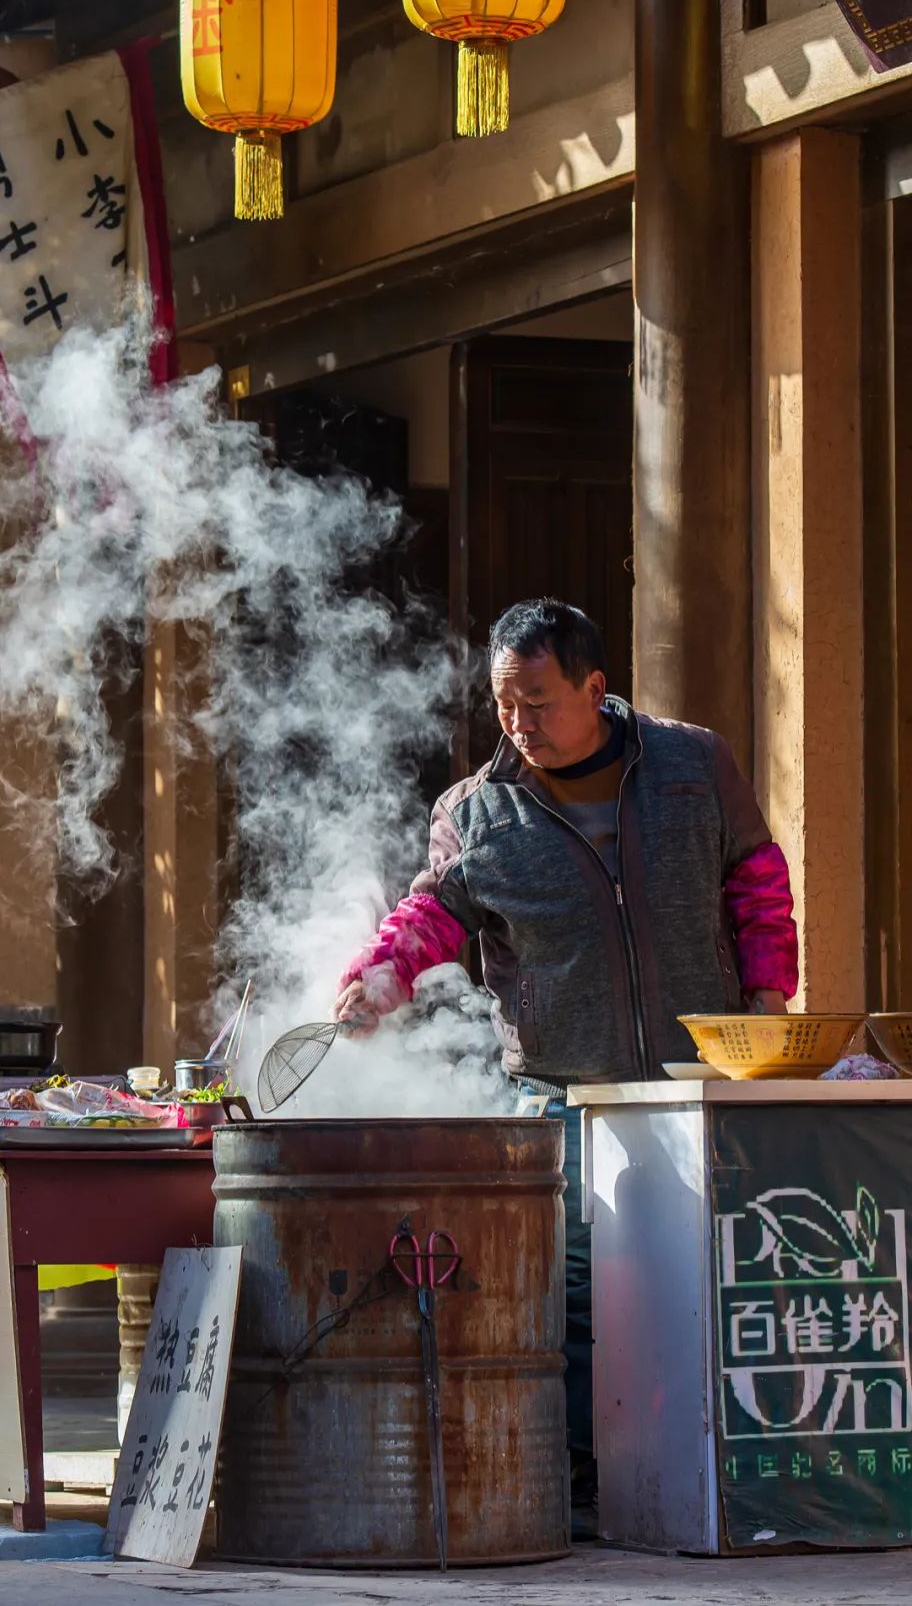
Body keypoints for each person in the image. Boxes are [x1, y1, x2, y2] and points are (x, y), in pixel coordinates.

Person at [333, 597, 798, 1530]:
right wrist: (381, 977)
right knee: (584, 1288)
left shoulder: (693, 764)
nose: (520, 724)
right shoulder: (475, 811)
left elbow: (756, 878)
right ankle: (592, 1479)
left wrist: (766, 995)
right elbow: (433, 913)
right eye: (505, 704)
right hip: (565, 1094)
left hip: (702, 1083)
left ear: (595, 688)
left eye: (538, 702)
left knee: (719, 1273)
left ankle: (734, 1466)